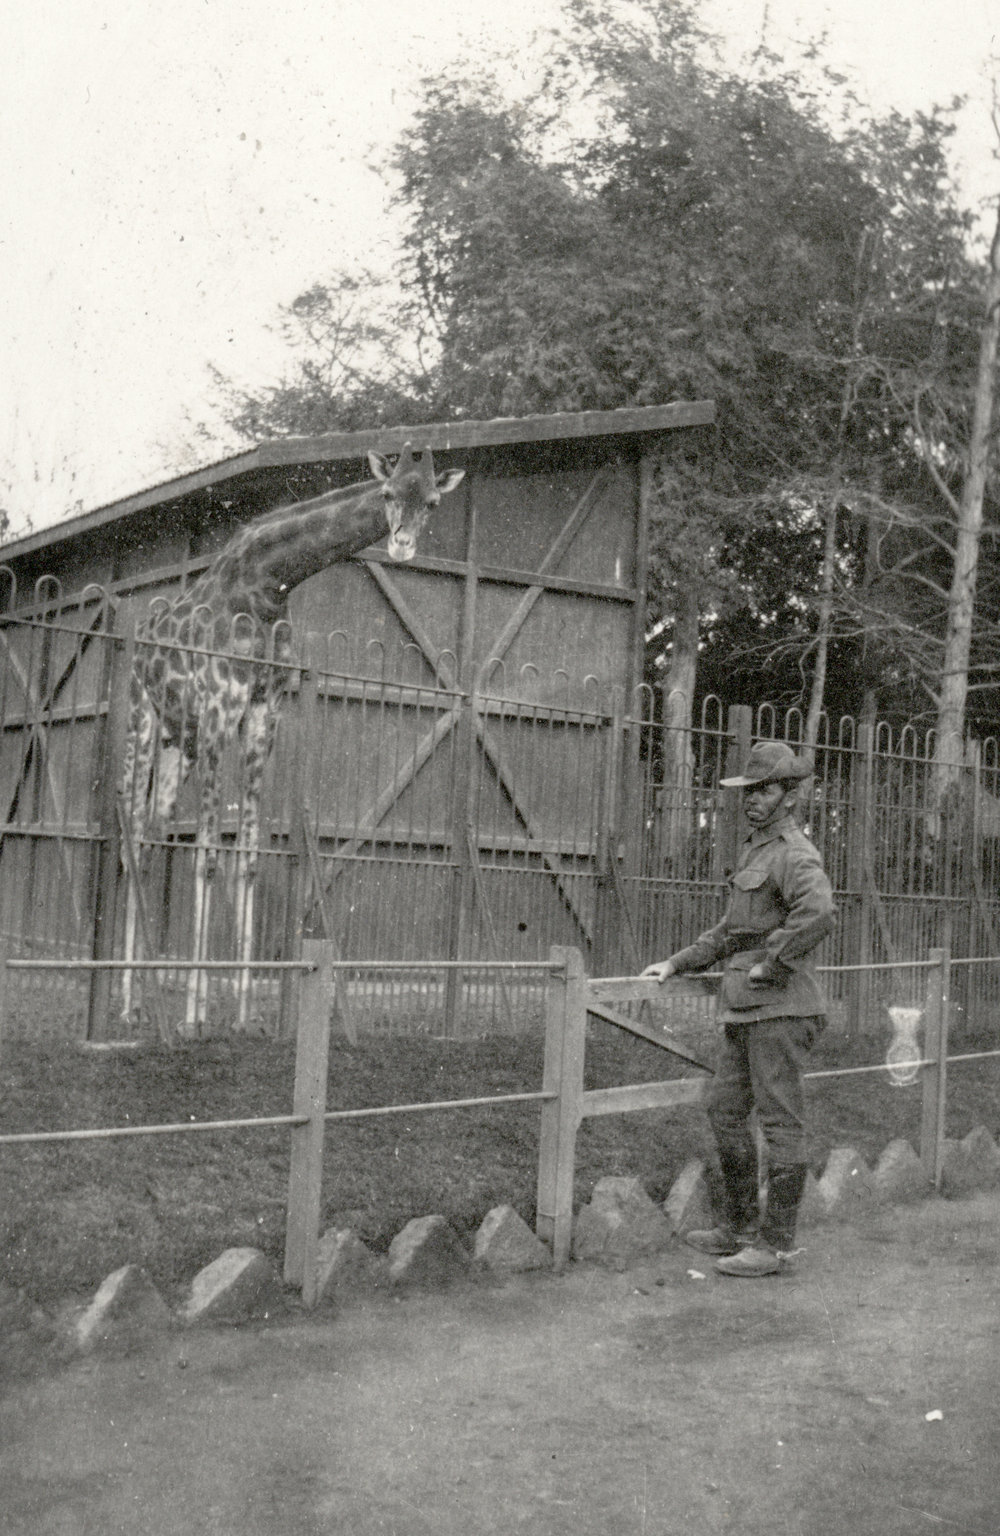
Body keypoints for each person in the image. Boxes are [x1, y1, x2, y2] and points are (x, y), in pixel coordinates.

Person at [642, 741, 836, 1277]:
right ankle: (740, 1228)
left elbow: (819, 912)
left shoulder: (794, 852)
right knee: (725, 1110)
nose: (752, 800)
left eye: (764, 791)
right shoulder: (757, 852)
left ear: (790, 796)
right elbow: (732, 931)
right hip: (747, 1011)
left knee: (780, 1124)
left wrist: (772, 965)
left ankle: (774, 1247)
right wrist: (676, 963)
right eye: (748, 791)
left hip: (782, 1010)